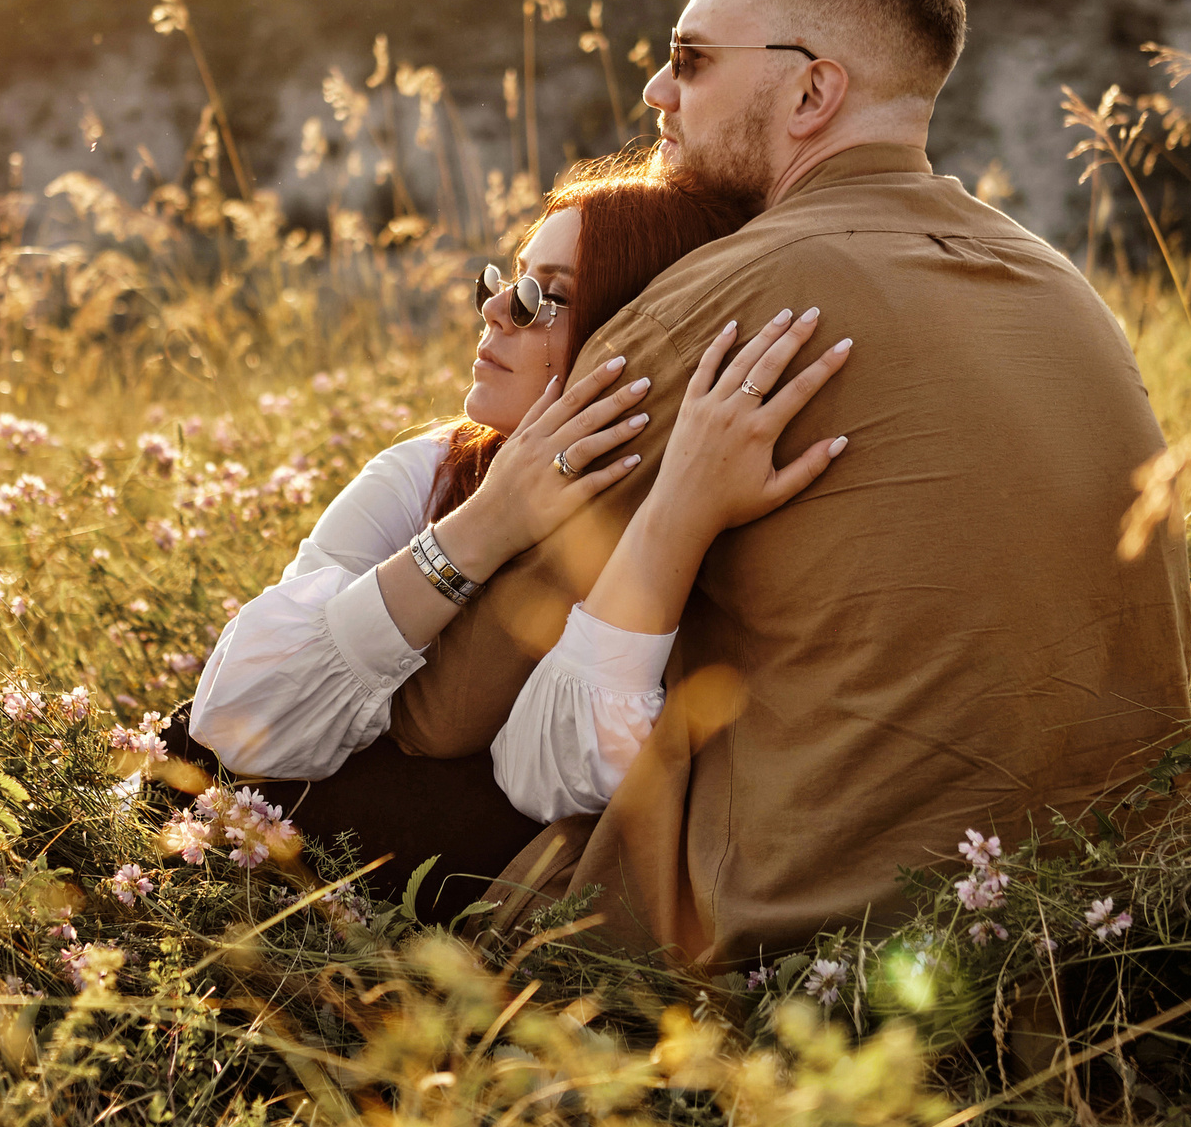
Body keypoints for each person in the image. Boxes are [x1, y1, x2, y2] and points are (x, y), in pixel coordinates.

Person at [390, 0, 1191, 968]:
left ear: (813, 94)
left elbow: (446, 715)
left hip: (796, 943)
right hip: (1120, 910)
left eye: (692, 58)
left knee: (333, 770)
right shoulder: (1055, 282)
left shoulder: (731, 291)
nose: (656, 87)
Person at [185, 158, 852, 915]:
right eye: (506, 279)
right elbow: (234, 718)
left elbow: (556, 777)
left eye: (546, 296)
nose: (496, 308)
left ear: (629, 339)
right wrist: (487, 524)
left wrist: (676, 516)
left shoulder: (697, 514)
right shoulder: (430, 469)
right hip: (207, 866)